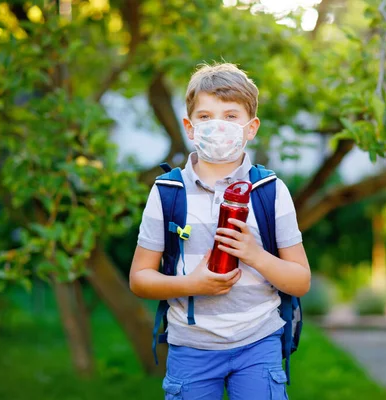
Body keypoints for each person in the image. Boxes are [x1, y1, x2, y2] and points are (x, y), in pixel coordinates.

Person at [129, 63, 311, 400]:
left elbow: (300, 280)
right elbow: (140, 278)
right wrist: (191, 285)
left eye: (230, 116)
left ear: (251, 127)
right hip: (190, 348)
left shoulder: (270, 191)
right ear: (189, 127)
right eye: (205, 117)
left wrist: (255, 255)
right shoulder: (168, 192)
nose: (218, 126)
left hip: (258, 343)